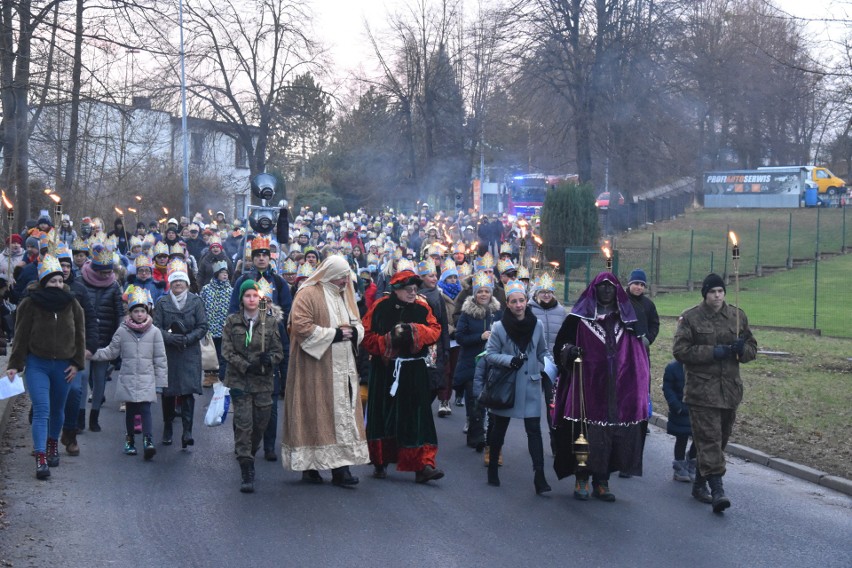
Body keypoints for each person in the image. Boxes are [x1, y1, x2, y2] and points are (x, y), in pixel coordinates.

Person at [552, 272, 650, 502]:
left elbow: (639, 354)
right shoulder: (577, 319)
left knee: (610, 437)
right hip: (586, 390)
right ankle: (582, 478)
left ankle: (602, 481)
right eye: (601, 287)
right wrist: (569, 352)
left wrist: (637, 388)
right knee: (584, 435)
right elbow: (560, 347)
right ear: (593, 290)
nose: (606, 291)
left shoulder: (627, 321)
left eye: (610, 287)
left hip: (617, 391)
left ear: (617, 291)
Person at [672, 273, 757, 513]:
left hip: (729, 391)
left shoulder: (736, 316)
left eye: (720, 291)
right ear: (705, 294)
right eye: (712, 292)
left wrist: (743, 350)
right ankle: (718, 490)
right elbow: (680, 351)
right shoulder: (690, 318)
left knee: (717, 442)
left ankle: (699, 484)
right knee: (709, 440)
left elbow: (752, 348)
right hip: (702, 392)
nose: (717, 296)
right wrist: (714, 352)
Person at [282, 256, 369, 486]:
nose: (346, 280)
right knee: (315, 412)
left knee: (344, 415)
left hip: (344, 367)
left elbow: (358, 323)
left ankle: (342, 469)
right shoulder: (308, 293)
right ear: (330, 274)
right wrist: (336, 334)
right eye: (342, 276)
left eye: (347, 276)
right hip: (315, 367)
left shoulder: (344, 293)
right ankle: (310, 466)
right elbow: (299, 326)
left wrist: (353, 331)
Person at [6, 254, 85, 479]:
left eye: (60, 281)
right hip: (37, 363)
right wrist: (14, 365)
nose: (58, 285)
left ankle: (53, 444)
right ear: (43, 281)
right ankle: (41, 457)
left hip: (63, 365)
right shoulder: (30, 303)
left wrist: (77, 363)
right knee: (42, 408)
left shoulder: (72, 303)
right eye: (53, 281)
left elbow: (80, 335)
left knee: (58, 409)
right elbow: (20, 335)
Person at [362, 267, 444, 483]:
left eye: (415, 289)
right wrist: (389, 340)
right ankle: (380, 460)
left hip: (414, 370)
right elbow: (366, 336)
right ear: (396, 289)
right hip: (386, 370)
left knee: (417, 417)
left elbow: (435, 330)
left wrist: (414, 331)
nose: (412, 293)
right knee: (384, 414)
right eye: (407, 289)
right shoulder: (380, 307)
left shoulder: (422, 307)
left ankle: (423, 465)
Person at [480, 279, 550, 493]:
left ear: (527, 301)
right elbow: (490, 355)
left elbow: (542, 351)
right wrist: (510, 360)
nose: (518, 305)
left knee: (534, 432)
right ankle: (492, 467)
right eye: (514, 301)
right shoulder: (499, 327)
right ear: (507, 304)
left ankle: (539, 477)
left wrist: (550, 366)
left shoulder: (536, 324)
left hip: (530, 385)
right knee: (499, 429)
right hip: (507, 386)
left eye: (521, 301)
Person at [89, 286, 167, 460]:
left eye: (142, 311)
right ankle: (130, 439)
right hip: (128, 378)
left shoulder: (154, 332)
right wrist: (91, 354)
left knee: (146, 409)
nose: (139, 314)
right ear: (130, 313)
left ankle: (148, 440)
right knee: (131, 410)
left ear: (147, 312)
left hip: (147, 378)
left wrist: (161, 383)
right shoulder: (122, 331)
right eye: (136, 311)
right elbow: (111, 351)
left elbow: (161, 359)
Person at [221, 280, 284, 493]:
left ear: (260, 299)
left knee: (260, 424)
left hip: (263, 382)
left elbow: (278, 351)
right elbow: (227, 351)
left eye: (254, 296)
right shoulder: (232, 321)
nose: (251, 299)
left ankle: (251, 450)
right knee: (244, 424)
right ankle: (246, 466)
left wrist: (269, 360)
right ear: (241, 298)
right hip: (240, 380)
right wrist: (247, 366)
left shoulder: (270, 322)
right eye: (247, 295)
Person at [152, 258, 209, 448]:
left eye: (181, 281)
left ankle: (187, 431)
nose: (178, 284)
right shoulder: (162, 302)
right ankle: (168, 427)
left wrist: (188, 338)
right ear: (170, 283)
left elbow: (202, 326)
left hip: (189, 352)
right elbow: (155, 326)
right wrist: (169, 339)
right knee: (168, 393)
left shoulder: (196, 301)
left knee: (187, 393)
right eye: (175, 280)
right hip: (168, 353)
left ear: (186, 283)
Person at [453, 271, 502, 450]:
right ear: (475, 294)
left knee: (490, 400)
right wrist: (479, 337)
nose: (483, 295)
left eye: (486, 291)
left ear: (491, 294)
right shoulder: (467, 313)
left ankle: (487, 433)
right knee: (474, 400)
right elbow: (460, 337)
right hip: (470, 363)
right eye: (480, 291)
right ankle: (476, 437)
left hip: (492, 363)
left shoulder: (497, 313)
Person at [79, 243, 125, 432]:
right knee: (83, 377)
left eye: (109, 272)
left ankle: (94, 416)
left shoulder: (114, 286)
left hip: (105, 338)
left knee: (100, 379)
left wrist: (118, 338)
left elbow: (119, 312)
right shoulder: (80, 281)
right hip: (84, 338)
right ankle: (80, 416)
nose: (106, 275)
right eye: (103, 272)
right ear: (95, 270)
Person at [528, 273, 567, 452]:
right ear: (536, 294)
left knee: (552, 405)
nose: (546, 295)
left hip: (552, 366)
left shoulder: (561, 311)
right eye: (542, 292)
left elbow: (566, 336)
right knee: (533, 406)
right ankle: (534, 441)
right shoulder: (528, 309)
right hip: (533, 365)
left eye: (549, 292)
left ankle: (555, 441)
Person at [662, 359, 696, 483]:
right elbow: (668, 388)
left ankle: (692, 461)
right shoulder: (673, 368)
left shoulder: (701, 367)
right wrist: (676, 407)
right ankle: (679, 466)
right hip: (680, 408)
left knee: (699, 438)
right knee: (682, 437)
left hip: (698, 409)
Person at [200, 260, 232, 385]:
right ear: (216, 274)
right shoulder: (206, 289)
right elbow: (201, 306)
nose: (225, 275)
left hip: (224, 327)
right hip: (210, 326)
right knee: (209, 352)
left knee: (222, 352)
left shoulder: (230, 290)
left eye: (226, 273)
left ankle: (222, 375)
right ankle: (209, 375)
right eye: (222, 273)